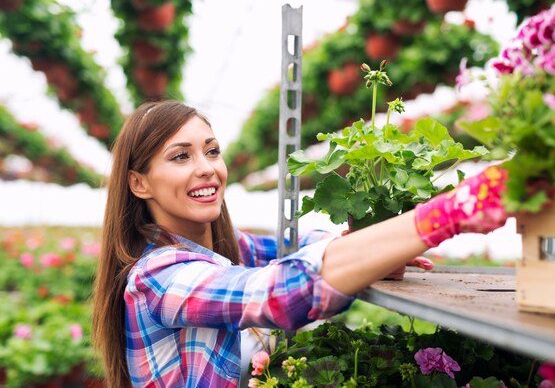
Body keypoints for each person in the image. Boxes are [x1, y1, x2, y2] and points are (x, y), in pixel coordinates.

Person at [92, 100, 508, 388]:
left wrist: (364, 246)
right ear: (139, 182)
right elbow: (282, 292)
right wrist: (450, 213)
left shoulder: (224, 247)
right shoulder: (159, 278)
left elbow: (294, 245)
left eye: (212, 151)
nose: (207, 169)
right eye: (180, 157)